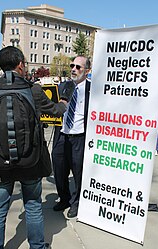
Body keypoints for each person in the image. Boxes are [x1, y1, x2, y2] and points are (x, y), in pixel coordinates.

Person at [0, 46, 68, 249]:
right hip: (30, 161)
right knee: (33, 205)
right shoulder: (32, 90)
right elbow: (54, 111)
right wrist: (63, 103)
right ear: (21, 64)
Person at [52, 55, 91, 218]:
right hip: (62, 134)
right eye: (72, 66)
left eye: (78, 67)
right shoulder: (62, 86)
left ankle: (76, 202)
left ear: (87, 71)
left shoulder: (92, 89)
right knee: (59, 169)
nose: (73, 69)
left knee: (78, 171)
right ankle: (64, 198)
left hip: (80, 136)